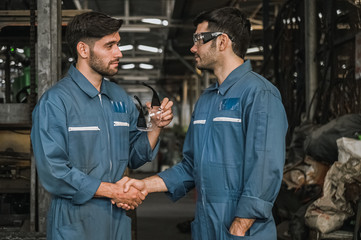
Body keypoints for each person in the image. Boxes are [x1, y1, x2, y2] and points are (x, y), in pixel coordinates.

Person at [122, 7, 288, 239]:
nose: (192, 48)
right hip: (206, 223)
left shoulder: (259, 94)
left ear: (222, 42)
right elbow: (191, 166)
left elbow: (265, 168)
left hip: (243, 229)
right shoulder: (206, 100)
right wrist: (145, 185)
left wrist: (239, 227)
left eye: (199, 40)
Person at [31, 11, 173, 239]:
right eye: (110, 45)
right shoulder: (56, 102)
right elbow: (54, 172)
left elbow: (135, 156)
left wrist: (156, 126)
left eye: (118, 44)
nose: (119, 52)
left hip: (116, 217)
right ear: (83, 50)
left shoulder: (119, 97)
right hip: (75, 219)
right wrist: (113, 191)